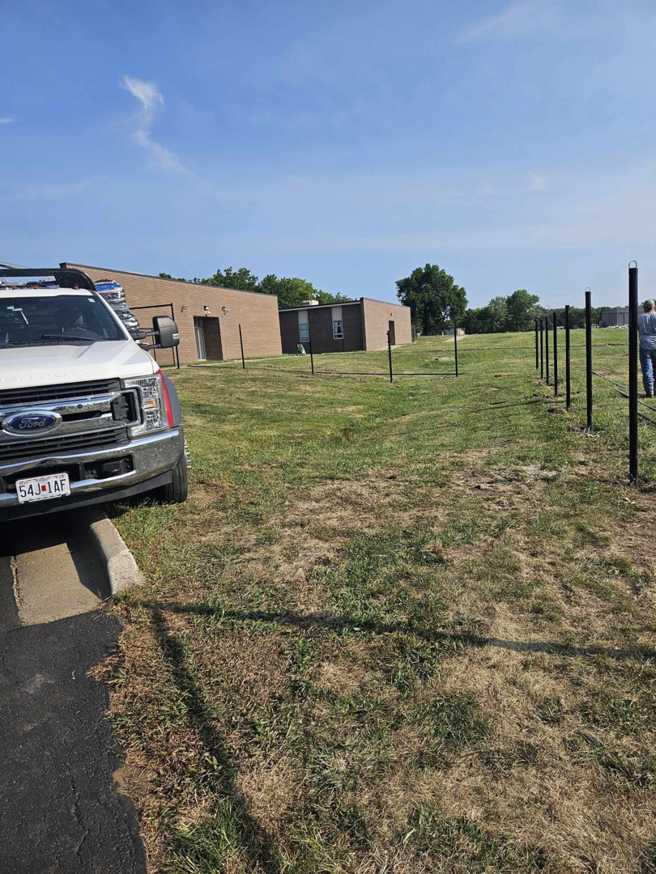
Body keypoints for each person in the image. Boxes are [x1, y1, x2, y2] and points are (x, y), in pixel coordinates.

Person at [638, 299, 656, 397]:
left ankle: (649, 392)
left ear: (645, 307)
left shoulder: (640, 318)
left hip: (645, 345)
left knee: (647, 370)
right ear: (654, 306)